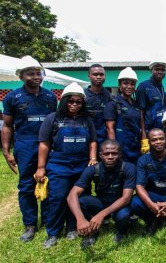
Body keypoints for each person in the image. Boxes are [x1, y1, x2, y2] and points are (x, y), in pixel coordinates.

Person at [35, 82, 97, 248]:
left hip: (81, 166)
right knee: (58, 198)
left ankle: (72, 227)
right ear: (63, 101)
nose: (74, 104)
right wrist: (41, 167)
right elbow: (44, 144)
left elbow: (92, 141)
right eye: (71, 101)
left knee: (80, 198)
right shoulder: (52, 118)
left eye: (78, 102)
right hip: (59, 166)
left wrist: (92, 158)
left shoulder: (87, 120)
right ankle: (53, 232)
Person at [1, 56, 57, 242]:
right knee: (26, 185)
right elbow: (7, 126)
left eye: (38, 73)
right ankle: (30, 224)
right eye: (30, 73)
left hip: (48, 145)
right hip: (25, 145)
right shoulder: (12, 97)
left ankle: (49, 220)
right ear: (21, 76)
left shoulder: (50, 96)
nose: (36, 76)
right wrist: (7, 151)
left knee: (48, 182)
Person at [67, 140, 136, 247]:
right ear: (100, 155)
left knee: (124, 215)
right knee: (80, 201)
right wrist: (80, 219)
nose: (110, 156)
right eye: (106, 154)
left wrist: (101, 215)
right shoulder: (92, 169)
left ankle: (121, 232)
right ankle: (91, 232)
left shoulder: (128, 168)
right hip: (101, 203)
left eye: (114, 153)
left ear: (120, 154)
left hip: (119, 205)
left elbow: (126, 198)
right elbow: (72, 194)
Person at [104, 67, 146, 164]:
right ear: (119, 85)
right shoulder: (113, 104)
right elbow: (110, 128)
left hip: (135, 147)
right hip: (121, 148)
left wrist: (144, 141)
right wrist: (114, 150)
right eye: (125, 83)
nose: (129, 86)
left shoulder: (136, 104)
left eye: (132, 84)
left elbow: (141, 122)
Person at [84, 64, 111, 151]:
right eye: (95, 74)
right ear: (89, 76)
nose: (98, 77)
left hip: (104, 140)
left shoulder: (110, 97)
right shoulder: (82, 96)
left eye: (101, 74)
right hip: (85, 138)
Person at [136, 61, 166, 132]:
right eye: (157, 69)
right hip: (149, 130)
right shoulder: (143, 86)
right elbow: (140, 112)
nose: (160, 72)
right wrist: (143, 133)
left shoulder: (162, 87)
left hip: (161, 129)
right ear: (151, 71)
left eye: (162, 70)